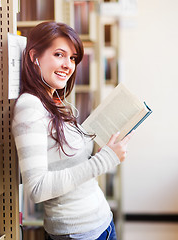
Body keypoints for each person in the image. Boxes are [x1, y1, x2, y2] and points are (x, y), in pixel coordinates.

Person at [11, 21, 134, 240]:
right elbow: (37, 188)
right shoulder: (29, 107)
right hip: (77, 233)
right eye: (59, 54)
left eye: (73, 58)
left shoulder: (53, 101)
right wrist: (105, 159)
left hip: (101, 223)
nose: (68, 65)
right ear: (33, 56)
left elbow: (67, 162)